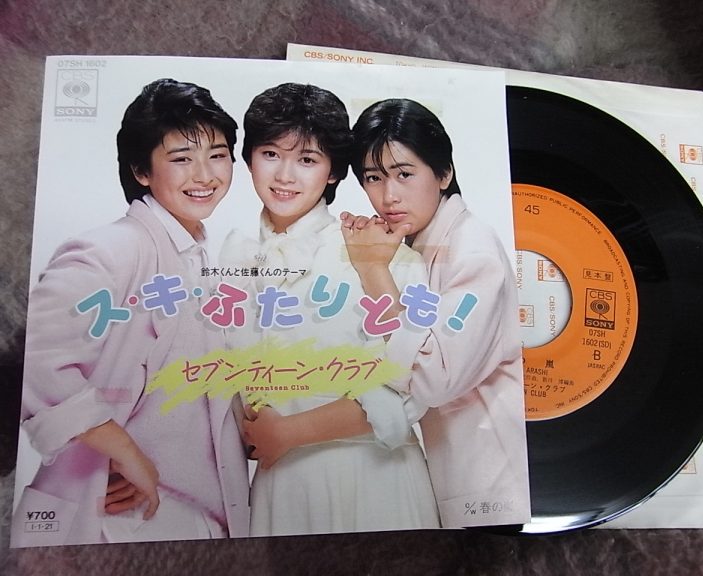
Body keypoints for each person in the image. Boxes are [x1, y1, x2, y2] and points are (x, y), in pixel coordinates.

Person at [12, 79, 250, 547]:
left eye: (218, 155)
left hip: (194, 519)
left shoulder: (200, 258)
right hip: (117, 519)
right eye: (181, 158)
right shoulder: (113, 248)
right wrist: (123, 449)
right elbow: (33, 355)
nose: (205, 175)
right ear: (142, 170)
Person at [220, 83, 439, 536]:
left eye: (307, 160)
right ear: (249, 159)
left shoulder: (381, 253)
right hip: (281, 488)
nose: (285, 175)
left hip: (374, 481)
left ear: (334, 171)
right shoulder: (232, 257)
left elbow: (411, 391)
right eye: (270, 154)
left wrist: (290, 432)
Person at [340, 98, 531, 528]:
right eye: (373, 178)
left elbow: (433, 378)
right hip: (456, 478)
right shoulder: (416, 246)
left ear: (443, 174)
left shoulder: (472, 249)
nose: (388, 196)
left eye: (404, 174)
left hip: (491, 486)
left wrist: (372, 270)